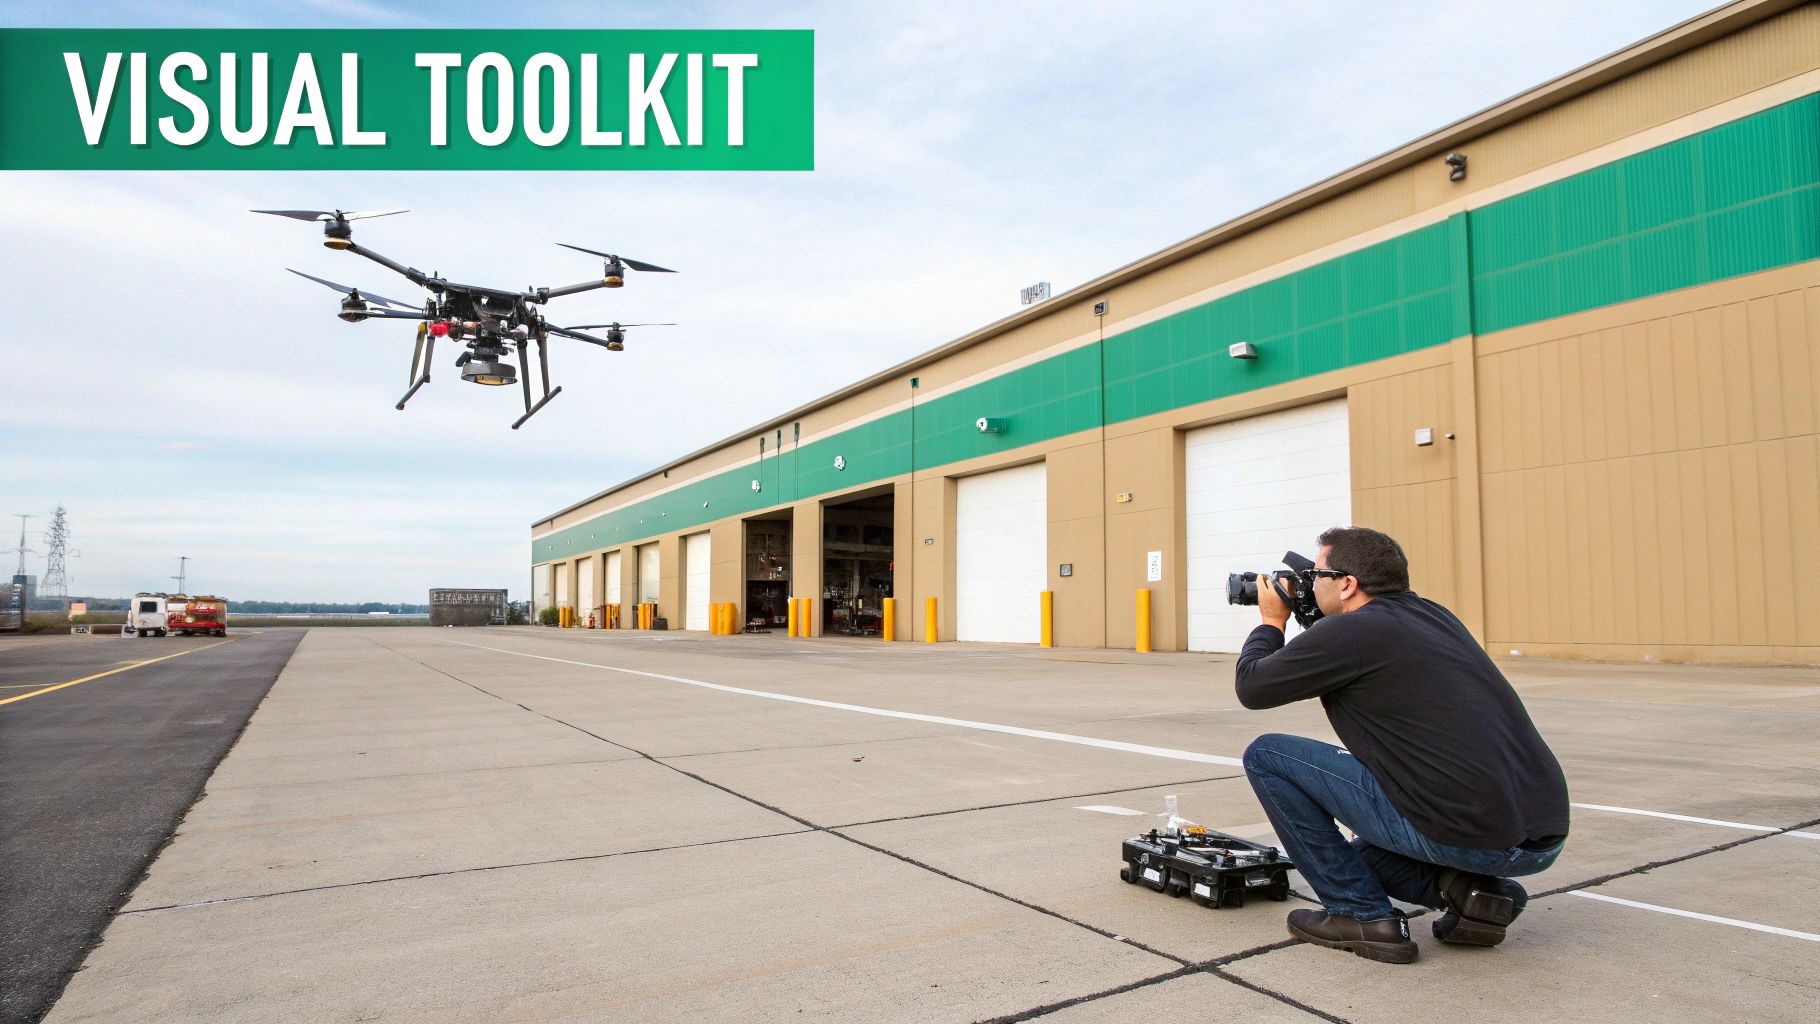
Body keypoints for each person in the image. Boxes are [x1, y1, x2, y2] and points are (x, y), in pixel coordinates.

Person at [1234, 526, 1568, 964]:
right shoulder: (1434, 616)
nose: (1309, 584)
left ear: (1348, 584)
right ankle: (1475, 894)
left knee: (1267, 756)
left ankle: (1361, 916)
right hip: (1542, 836)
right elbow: (1355, 643)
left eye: (1316, 574)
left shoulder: (1351, 635)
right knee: (1350, 859)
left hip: (1472, 835)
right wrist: (1314, 612)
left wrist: (1272, 621)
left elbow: (1253, 686)